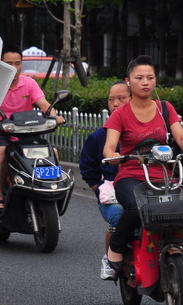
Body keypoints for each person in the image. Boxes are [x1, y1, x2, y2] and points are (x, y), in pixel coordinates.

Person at [103, 55, 183, 272]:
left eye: (150, 77)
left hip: (166, 173)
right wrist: (114, 155)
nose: (145, 82)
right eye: (139, 77)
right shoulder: (120, 114)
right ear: (128, 81)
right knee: (136, 207)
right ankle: (116, 247)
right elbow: (109, 147)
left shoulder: (165, 108)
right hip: (132, 175)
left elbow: (180, 138)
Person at [0, 45, 64, 213]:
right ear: (0, 64)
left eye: (18, 63)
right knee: (2, 151)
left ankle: (52, 188)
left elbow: (44, 105)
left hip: (25, 134)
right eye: (9, 63)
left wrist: (54, 116)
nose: (14, 67)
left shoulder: (29, 83)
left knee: (52, 151)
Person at [78, 81, 130, 279]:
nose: (115, 104)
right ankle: (109, 257)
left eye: (121, 99)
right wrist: (99, 188)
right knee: (118, 214)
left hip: (144, 188)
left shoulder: (143, 129)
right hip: (113, 193)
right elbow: (87, 165)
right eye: (111, 100)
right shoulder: (100, 135)